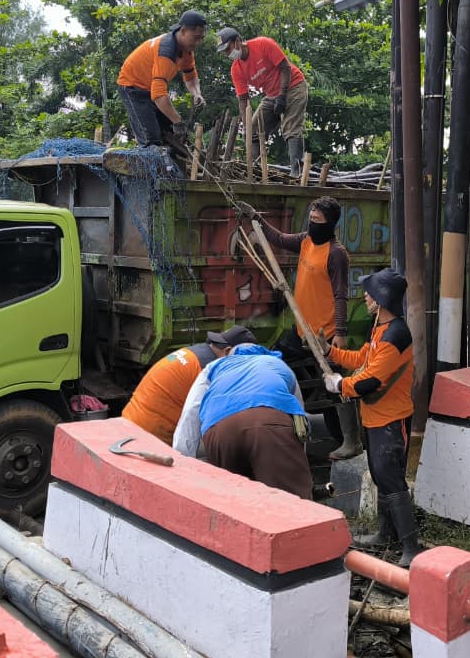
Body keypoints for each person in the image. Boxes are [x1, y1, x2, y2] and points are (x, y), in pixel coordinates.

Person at [234, 196, 357, 458]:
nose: (312, 223)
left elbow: (341, 295)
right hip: (301, 330)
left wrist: (340, 333)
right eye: (311, 218)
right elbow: (278, 238)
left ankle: (350, 442)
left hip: (324, 335)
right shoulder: (305, 241)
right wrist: (256, 217)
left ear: (330, 224)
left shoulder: (336, 254)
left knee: (334, 387)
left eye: (317, 220)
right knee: (274, 361)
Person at [322, 269, 420, 567]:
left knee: (391, 479)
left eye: (370, 292)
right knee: (380, 475)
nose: (365, 296)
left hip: (391, 419)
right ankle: (386, 534)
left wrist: (341, 385)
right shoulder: (380, 328)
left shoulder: (395, 335)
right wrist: (331, 353)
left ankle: (410, 547)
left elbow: (372, 380)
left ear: (382, 299)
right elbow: (363, 359)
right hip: (376, 417)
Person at [173, 343, 312, 499]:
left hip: (220, 430)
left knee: (234, 502)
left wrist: (182, 465)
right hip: (269, 424)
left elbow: (191, 410)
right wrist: (298, 460)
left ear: (230, 354)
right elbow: (299, 413)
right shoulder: (278, 364)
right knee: (289, 500)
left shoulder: (214, 366)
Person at [122, 325, 256, 444]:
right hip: (152, 436)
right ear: (227, 351)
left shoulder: (194, 353)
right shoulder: (208, 369)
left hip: (129, 421)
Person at [215, 27, 311, 176]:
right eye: (225, 52)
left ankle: (296, 172)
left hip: (293, 86)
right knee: (252, 131)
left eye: (228, 49)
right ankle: (256, 171)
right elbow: (243, 99)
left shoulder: (263, 44)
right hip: (272, 95)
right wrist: (246, 125)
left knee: (290, 128)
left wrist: (282, 95)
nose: (228, 54)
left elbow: (285, 67)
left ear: (238, 41)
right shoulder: (236, 69)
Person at [116, 10, 209, 147]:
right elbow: (159, 95)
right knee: (151, 139)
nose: (198, 42)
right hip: (132, 87)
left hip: (150, 88)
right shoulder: (166, 52)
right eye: (195, 37)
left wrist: (197, 94)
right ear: (183, 31)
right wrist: (178, 121)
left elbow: (190, 76)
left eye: (201, 38)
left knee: (170, 134)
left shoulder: (187, 52)